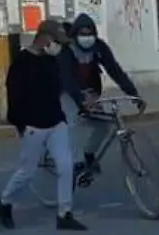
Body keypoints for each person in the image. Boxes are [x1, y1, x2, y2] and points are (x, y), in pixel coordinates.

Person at [0, 20, 85, 232]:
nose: (58, 47)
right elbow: (14, 96)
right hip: (33, 126)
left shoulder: (52, 61)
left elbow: (63, 86)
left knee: (65, 166)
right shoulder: (22, 62)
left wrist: (79, 101)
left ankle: (65, 214)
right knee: (27, 172)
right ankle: (4, 202)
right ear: (44, 38)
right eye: (56, 42)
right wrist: (20, 124)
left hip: (56, 122)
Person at [59, 12, 141, 179]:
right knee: (72, 121)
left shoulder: (99, 47)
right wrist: (81, 101)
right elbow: (66, 79)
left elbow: (115, 70)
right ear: (75, 35)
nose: (87, 38)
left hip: (90, 91)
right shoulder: (67, 51)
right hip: (68, 92)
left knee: (103, 124)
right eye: (83, 34)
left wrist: (133, 94)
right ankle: (76, 163)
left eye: (90, 34)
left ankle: (89, 154)